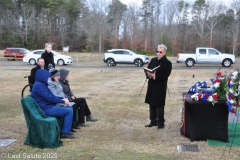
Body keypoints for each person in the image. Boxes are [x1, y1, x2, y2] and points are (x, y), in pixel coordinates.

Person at [31, 69, 74, 139]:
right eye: (47, 77)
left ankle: (65, 128)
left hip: (47, 106)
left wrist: (61, 99)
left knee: (69, 108)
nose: (48, 78)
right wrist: (63, 101)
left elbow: (50, 96)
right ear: (42, 77)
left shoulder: (41, 84)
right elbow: (50, 98)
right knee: (69, 111)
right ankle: (65, 132)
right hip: (44, 108)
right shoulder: (39, 86)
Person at [145, 44, 172, 129]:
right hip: (152, 85)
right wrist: (148, 73)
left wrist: (155, 76)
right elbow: (149, 69)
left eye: (160, 52)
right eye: (157, 51)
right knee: (151, 103)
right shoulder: (153, 60)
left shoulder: (167, 63)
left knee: (159, 105)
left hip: (160, 86)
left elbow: (165, 75)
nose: (158, 53)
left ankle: (161, 124)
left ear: (164, 52)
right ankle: (153, 121)